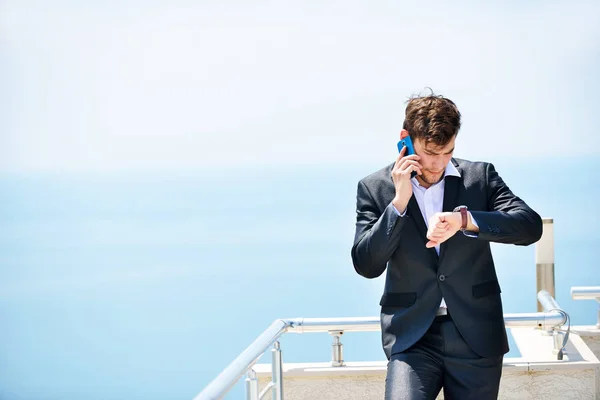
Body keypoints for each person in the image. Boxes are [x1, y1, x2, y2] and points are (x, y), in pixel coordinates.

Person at [351, 92, 542, 400]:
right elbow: (366, 265)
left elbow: (529, 226)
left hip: (476, 335)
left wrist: (464, 220)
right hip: (412, 338)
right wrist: (399, 203)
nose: (439, 163)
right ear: (406, 141)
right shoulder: (375, 189)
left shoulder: (480, 177)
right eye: (430, 153)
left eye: (448, 152)